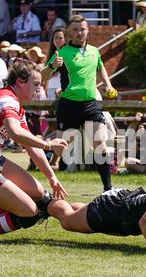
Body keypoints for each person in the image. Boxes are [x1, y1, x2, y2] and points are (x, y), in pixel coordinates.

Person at [0, 59, 68, 243]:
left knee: (39, 193)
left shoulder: (14, 102)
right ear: (20, 83)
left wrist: (52, 177)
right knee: (30, 212)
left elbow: (30, 145)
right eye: (36, 84)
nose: (39, 90)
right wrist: (49, 145)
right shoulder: (7, 100)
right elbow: (15, 133)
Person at [42, 15, 116, 192]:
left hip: (91, 104)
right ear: (68, 32)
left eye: (82, 29)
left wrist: (108, 84)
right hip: (69, 105)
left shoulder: (94, 51)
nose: (79, 32)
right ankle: (44, 171)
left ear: (88, 30)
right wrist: (52, 66)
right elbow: (42, 77)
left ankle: (108, 189)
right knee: (62, 151)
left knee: (100, 144)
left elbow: (100, 67)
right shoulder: (62, 53)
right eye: (75, 29)